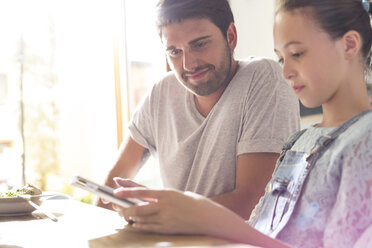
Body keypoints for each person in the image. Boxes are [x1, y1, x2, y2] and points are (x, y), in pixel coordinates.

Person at [111, 0, 372, 247]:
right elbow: (263, 232)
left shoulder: (365, 141)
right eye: (282, 58)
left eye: (297, 53)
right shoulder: (298, 143)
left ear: (349, 45)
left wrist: (200, 214)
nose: (285, 72)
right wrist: (185, 209)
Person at [98, 0, 300, 219]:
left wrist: (161, 209)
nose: (188, 64)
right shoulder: (161, 93)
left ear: (230, 36)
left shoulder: (262, 78)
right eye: (174, 51)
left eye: (199, 44)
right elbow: (108, 194)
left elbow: (253, 202)